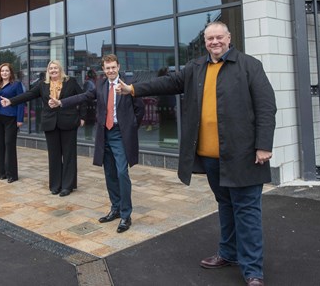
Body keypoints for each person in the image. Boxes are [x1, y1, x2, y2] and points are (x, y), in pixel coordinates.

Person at [117, 21, 276, 286]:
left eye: (219, 37)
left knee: (247, 211)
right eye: (209, 38)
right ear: (205, 42)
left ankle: (253, 271)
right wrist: (133, 89)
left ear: (229, 37)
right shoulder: (196, 67)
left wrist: (264, 145)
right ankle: (228, 253)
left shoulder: (250, 65)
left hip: (243, 155)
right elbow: (168, 83)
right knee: (225, 206)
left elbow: (266, 107)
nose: (214, 42)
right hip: (212, 157)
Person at [49, 54, 144, 233]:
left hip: (120, 134)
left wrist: (130, 127)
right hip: (104, 134)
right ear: (104, 69)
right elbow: (83, 97)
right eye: (107, 68)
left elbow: (140, 109)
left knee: (122, 172)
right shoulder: (100, 85)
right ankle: (115, 208)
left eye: (113, 67)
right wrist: (61, 102)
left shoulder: (127, 85)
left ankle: (126, 215)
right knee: (109, 173)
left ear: (118, 66)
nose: (110, 71)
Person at [1, 60, 86, 196]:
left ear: (60, 69)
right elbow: (28, 95)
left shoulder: (71, 82)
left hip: (69, 122)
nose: (53, 70)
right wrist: (11, 101)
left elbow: (82, 98)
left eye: (55, 68)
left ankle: (67, 186)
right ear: (48, 71)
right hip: (50, 123)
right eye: (51, 68)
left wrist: (82, 117)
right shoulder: (42, 85)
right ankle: (55, 185)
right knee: (54, 155)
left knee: (69, 154)